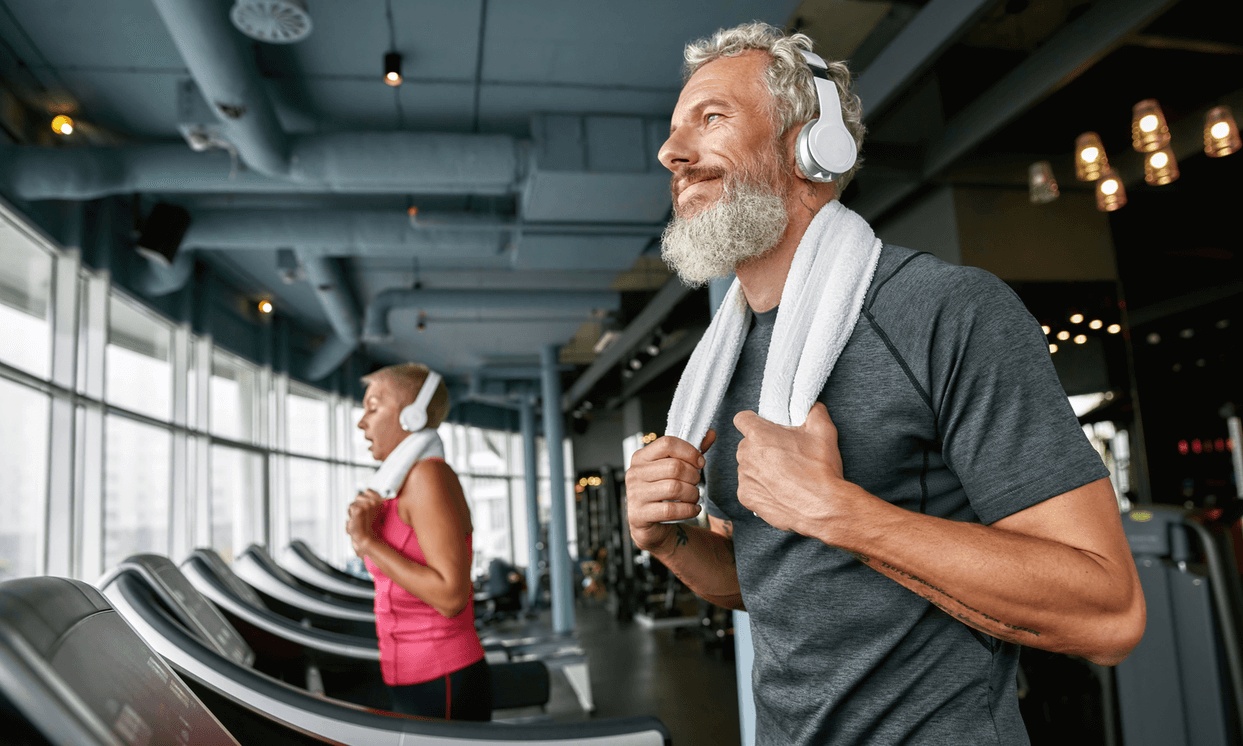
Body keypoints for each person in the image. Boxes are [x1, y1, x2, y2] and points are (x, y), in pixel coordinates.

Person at [625, 22, 1146, 746]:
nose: (670, 153)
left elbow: (1108, 613)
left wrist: (841, 513)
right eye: (673, 130)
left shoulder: (945, 310)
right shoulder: (721, 359)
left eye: (710, 119)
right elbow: (769, 582)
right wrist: (672, 543)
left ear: (813, 145)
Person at [347, 363, 492, 721]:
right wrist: (366, 536)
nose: (361, 421)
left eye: (374, 406)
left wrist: (368, 543)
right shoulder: (403, 486)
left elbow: (451, 596)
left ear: (411, 417)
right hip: (411, 676)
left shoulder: (429, 477)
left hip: (441, 675)